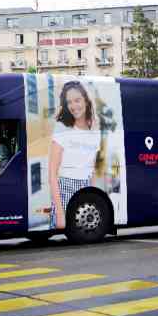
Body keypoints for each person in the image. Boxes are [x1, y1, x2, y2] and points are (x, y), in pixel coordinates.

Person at [49, 81, 100, 229]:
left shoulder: (95, 128)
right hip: (65, 189)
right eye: (69, 102)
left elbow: (94, 169)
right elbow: (52, 173)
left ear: (86, 100)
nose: (73, 106)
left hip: (87, 189)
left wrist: (95, 199)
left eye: (77, 100)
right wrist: (59, 212)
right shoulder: (62, 127)